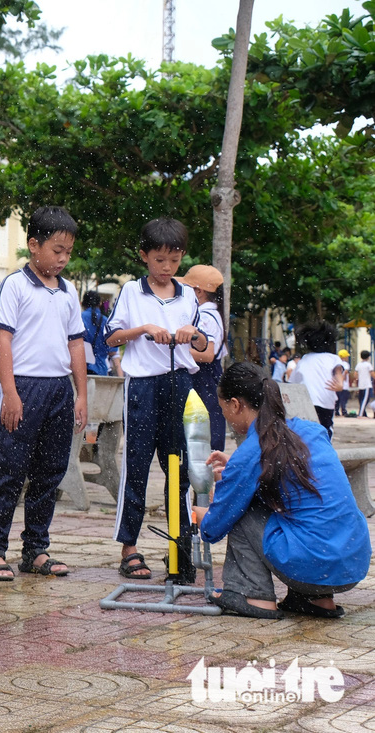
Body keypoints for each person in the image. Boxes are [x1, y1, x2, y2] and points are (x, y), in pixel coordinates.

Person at [197, 362, 370, 619]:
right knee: (305, 515)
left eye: (223, 410)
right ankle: (317, 601)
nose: (226, 417)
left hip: (313, 566)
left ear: (235, 404)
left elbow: (213, 529)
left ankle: (253, 595)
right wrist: (237, 468)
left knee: (241, 511)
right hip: (351, 563)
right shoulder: (310, 430)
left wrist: (203, 514)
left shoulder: (252, 451)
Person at [0, 206, 87, 583]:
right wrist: (8, 392)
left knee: (50, 472)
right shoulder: (15, 285)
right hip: (23, 386)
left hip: (59, 388)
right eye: (56, 250)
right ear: (33, 245)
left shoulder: (69, 290)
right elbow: (2, 339)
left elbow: (76, 344)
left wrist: (81, 394)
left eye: (68, 252)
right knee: (10, 470)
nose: (62, 259)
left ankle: (35, 548)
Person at [104, 218, 207, 583]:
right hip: (143, 386)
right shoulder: (132, 292)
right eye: (160, 260)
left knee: (178, 468)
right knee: (136, 464)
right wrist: (144, 329)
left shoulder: (189, 295)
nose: (166, 268)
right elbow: (112, 337)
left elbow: (202, 344)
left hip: (179, 384)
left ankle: (179, 547)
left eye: (174, 261)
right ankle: (129, 547)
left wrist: (191, 334)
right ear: (144, 256)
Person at [178, 265, 228, 451]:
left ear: (198, 292)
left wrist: (175, 349)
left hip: (204, 380)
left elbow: (208, 355)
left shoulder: (206, 316)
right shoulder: (213, 313)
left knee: (204, 438)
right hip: (207, 380)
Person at [289, 321, 346, 440]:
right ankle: (326, 454)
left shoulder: (303, 360)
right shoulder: (333, 358)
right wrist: (340, 384)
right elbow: (338, 371)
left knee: (306, 432)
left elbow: (291, 383)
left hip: (306, 402)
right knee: (325, 430)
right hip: (325, 401)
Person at [81, 290, 112, 377]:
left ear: (83, 303)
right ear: (99, 304)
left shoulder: (80, 318)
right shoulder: (106, 321)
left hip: (82, 368)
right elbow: (112, 351)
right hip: (101, 369)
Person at [335, 349, 353, 417]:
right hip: (344, 385)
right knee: (344, 398)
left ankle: (336, 411)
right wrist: (342, 379)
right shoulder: (345, 364)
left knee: (338, 399)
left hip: (337, 384)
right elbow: (345, 372)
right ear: (344, 356)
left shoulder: (337, 363)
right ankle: (344, 411)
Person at [357, 350, 373, 418]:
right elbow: (372, 373)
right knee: (365, 400)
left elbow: (355, 374)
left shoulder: (359, 364)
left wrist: (358, 380)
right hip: (367, 385)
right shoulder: (368, 365)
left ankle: (363, 413)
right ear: (368, 357)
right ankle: (360, 414)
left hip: (361, 384)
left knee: (361, 399)